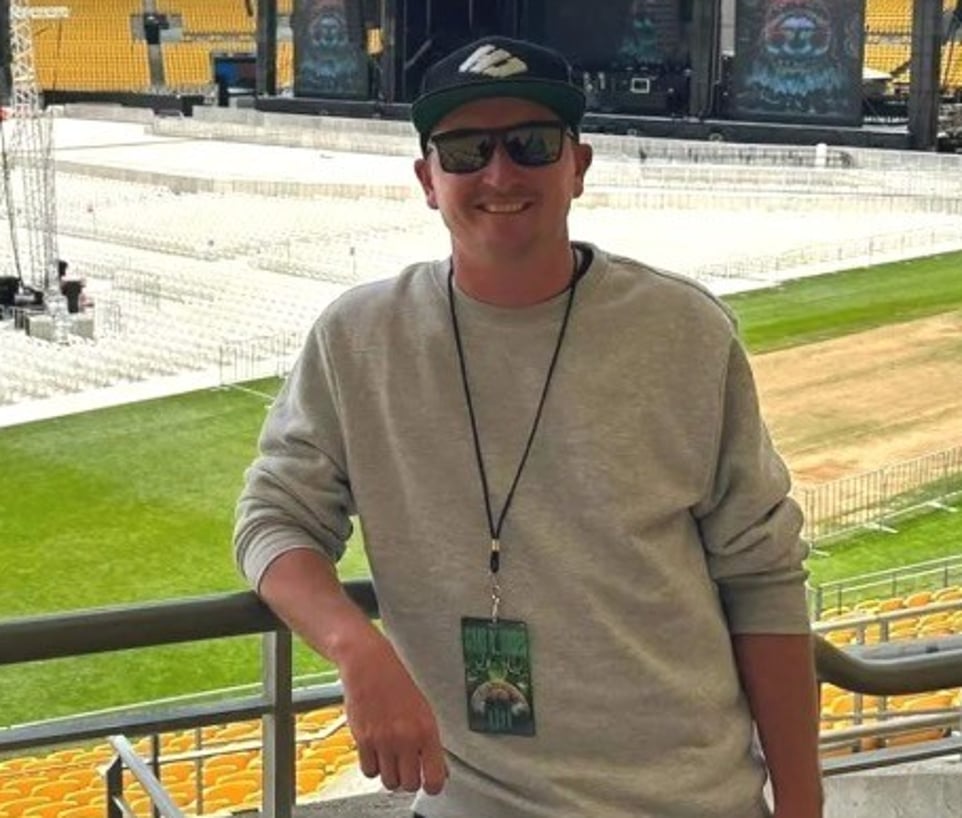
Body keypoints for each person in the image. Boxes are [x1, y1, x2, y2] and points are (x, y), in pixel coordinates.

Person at [234, 36, 822, 818]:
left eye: (532, 144)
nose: (500, 174)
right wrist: (356, 648)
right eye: (465, 151)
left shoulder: (685, 331)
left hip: (689, 800)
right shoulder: (359, 340)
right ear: (427, 180)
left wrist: (803, 805)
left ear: (578, 166)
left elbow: (763, 577)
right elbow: (273, 518)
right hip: (470, 802)